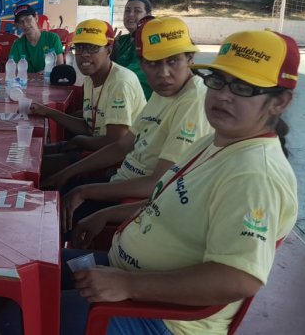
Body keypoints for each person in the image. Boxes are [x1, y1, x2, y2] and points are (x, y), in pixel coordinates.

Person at [59, 29, 299, 335]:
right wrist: (104, 214)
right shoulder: (214, 141)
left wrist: (128, 284)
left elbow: (239, 278)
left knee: (24, 314)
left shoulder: (255, 174)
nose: (224, 95)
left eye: (244, 88)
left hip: (164, 318)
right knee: (34, 270)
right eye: (218, 80)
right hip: (123, 272)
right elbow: (167, 201)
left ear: (279, 102)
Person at [47, 17, 212, 228]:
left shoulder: (193, 100)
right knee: (46, 190)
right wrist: (68, 172)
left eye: (172, 61)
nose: (163, 73)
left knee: (50, 217)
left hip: (135, 200)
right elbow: (122, 146)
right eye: (153, 63)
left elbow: (159, 183)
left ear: (190, 59)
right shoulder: (163, 92)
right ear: (142, 63)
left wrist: (85, 191)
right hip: (119, 179)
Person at [33, 19, 146, 176]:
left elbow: (115, 142)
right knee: (33, 153)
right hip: (96, 147)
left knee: (38, 165)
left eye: (92, 48)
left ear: (109, 49)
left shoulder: (120, 82)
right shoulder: (90, 78)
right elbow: (89, 127)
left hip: (120, 162)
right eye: (79, 48)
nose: (84, 54)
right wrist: (48, 112)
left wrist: (79, 141)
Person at [112, 0, 153, 98]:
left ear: (148, 16)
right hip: (117, 95)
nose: (130, 15)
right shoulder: (122, 40)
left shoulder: (149, 41)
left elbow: (129, 74)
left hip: (140, 100)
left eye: (137, 11)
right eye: (127, 11)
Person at [7, 4, 64, 73]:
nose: (25, 24)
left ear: (36, 18)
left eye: (28, 19)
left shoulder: (52, 38)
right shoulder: (17, 45)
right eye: (21, 22)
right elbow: (12, 72)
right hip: (26, 82)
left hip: (49, 81)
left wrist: (47, 72)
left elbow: (60, 67)